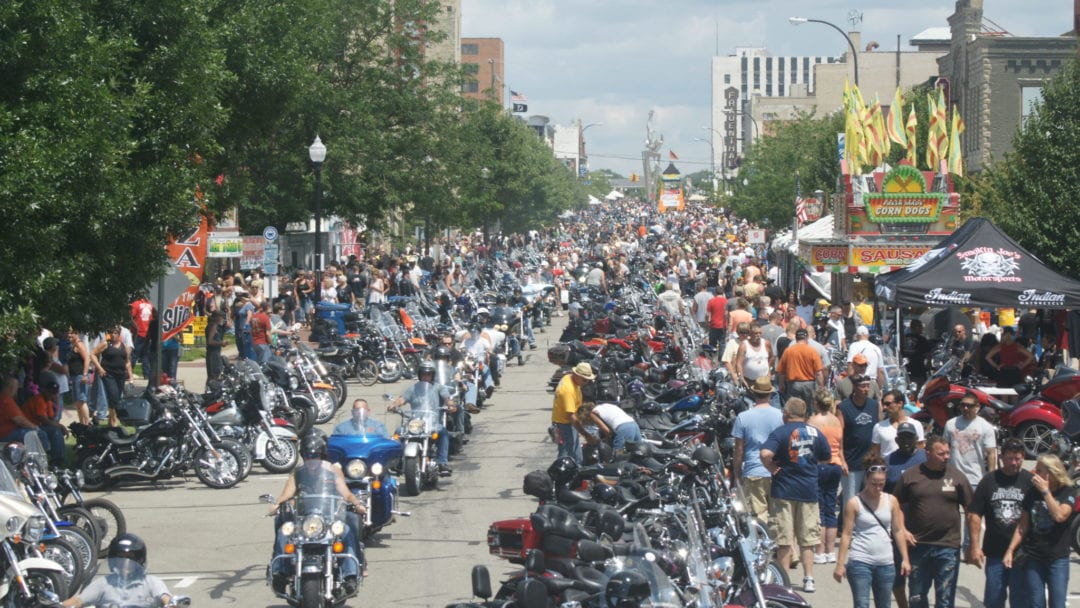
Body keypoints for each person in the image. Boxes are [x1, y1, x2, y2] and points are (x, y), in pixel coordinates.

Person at [268, 434, 367, 594]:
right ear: (303, 456)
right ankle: (281, 572)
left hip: (330, 518)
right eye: (308, 455)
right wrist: (276, 504)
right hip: (305, 519)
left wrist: (357, 504)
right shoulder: (298, 473)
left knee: (347, 530)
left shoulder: (333, 471)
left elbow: (346, 493)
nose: (311, 459)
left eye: (315, 455)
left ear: (322, 455)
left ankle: (350, 575)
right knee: (284, 530)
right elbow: (286, 494)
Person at [760, 397, 832, 593]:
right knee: (807, 538)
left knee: (784, 538)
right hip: (808, 490)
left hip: (783, 489)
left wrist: (772, 467)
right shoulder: (814, 432)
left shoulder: (780, 432)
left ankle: (784, 581)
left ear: (785, 414)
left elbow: (765, 453)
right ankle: (809, 578)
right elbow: (826, 457)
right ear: (805, 415)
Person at [895, 435, 973, 608]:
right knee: (916, 597)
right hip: (918, 545)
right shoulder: (910, 476)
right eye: (941, 453)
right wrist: (903, 529)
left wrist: (972, 544)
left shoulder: (957, 476)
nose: (946, 457)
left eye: (948, 453)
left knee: (945, 600)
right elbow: (896, 505)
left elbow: (971, 510)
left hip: (948, 546)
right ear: (927, 453)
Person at [834, 456, 911, 608]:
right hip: (860, 560)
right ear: (866, 479)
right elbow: (846, 534)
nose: (877, 488)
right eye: (874, 483)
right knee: (862, 603)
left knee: (884, 604)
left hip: (886, 562)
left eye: (881, 484)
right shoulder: (854, 503)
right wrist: (840, 564)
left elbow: (897, 530)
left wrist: (905, 559)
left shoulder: (892, 501)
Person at [966, 438, 1033, 608]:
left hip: (1022, 553)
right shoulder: (989, 481)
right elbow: (974, 515)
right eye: (1010, 458)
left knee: (1021, 600)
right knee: (994, 599)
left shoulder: (1029, 481)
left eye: (1017, 458)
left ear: (1023, 457)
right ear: (1001, 457)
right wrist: (974, 545)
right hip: (995, 551)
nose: (1013, 463)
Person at [1002, 454, 1075, 608]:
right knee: (1035, 602)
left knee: (1057, 603)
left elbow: (1060, 516)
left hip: (1057, 558)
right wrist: (1010, 550)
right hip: (1034, 557)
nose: (1034, 472)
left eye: (1039, 470)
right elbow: (1023, 526)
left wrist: (1046, 492)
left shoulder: (1068, 491)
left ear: (1051, 473)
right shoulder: (1032, 492)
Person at [61, 534, 174, 607]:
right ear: (113, 560)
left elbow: (165, 597)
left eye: (130, 558)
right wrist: (58, 606)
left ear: (139, 560)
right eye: (120, 558)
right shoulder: (103, 583)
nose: (125, 563)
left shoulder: (151, 582)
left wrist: (170, 603)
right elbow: (78, 600)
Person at [731, 377, 785, 529]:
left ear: (754, 394)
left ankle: (767, 546)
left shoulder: (743, 417)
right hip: (776, 470)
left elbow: (739, 450)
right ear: (770, 394)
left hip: (753, 470)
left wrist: (737, 474)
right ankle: (781, 548)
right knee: (778, 515)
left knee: (759, 516)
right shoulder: (780, 416)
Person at [388, 360, 455, 475]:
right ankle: (397, 461)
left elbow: (447, 398)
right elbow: (402, 399)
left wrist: (450, 405)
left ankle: (442, 462)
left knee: (443, 432)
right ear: (420, 374)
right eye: (423, 374)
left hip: (432, 422)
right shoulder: (413, 388)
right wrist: (394, 405)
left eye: (428, 374)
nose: (426, 376)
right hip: (415, 423)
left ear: (432, 375)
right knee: (398, 432)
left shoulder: (439, 387)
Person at [808, 389, 846, 566]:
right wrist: (843, 462)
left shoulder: (813, 422)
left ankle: (820, 551)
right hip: (835, 464)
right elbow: (840, 445)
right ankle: (831, 552)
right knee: (830, 507)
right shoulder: (836, 421)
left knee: (819, 509)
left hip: (818, 465)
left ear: (816, 403)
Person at [838, 375, 882, 513]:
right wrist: (842, 460)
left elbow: (880, 429)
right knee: (851, 500)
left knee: (872, 497)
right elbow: (839, 437)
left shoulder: (874, 405)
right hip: (852, 462)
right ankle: (848, 530)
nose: (866, 389)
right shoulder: (844, 407)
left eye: (868, 386)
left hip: (871, 462)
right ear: (855, 388)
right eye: (863, 386)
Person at [943, 390, 998, 490]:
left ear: (977, 407)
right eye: (963, 405)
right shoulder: (950, 424)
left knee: (972, 506)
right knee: (948, 505)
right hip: (952, 478)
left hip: (975, 479)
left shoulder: (986, 427)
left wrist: (991, 479)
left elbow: (991, 454)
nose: (965, 408)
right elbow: (944, 449)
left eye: (969, 405)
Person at [549, 362, 598, 464]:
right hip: (564, 424)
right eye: (584, 380)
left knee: (575, 453)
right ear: (576, 375)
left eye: (588, 380)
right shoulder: (567, 390)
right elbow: (570, 416)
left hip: (566, 423)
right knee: (567, 454)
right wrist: (585, 434)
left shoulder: (570, 378)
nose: (586, 382)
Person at [21, 378, 68, 464]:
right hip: (28, 426)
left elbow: (51, 419)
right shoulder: (39, 399)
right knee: (55, 431)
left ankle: (59, 457)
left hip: (37, 426)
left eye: (54, 393)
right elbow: (43, 419)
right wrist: (60, 426)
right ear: (45, 390)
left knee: (56, 430)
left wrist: (56, 404)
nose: (52, 395)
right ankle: (56, 458)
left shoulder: (48, 401)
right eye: (50, 392)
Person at [91, 326, 132, 427]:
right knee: (112, 395)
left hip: (121, 374)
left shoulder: (123, 346)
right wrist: (99, 368)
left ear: (119, 334)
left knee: (117, 397)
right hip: (108, 374)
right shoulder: (106, 344)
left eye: (115, 333)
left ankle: (111, 419)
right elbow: (92, 354)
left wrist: (131, 376)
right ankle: (114, 420)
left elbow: (127, 362)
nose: (113, 335)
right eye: (111, 333)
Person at [776, 328, 825, 405]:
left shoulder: (788, 351)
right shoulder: (812, 351)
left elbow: (781, 371)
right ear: (807, 338)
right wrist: (821, 387)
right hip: (809, 385)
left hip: (793, 385)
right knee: (809, 409)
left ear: (796, 338)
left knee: (794, 409)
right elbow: (819, 372)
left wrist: (781, 384)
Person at [871, 389, 925, 459]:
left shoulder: (916, 425)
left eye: (888, 404)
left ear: (900, 403)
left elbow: (920, 450)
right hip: (888, 467)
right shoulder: (878, 427)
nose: (885, 407)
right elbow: (875, 453)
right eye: (883, 404)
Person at [0, 377, 44, 445]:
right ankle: (44, 454)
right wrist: (36, 427)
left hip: (7, 432)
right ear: (11, 388)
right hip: (6, 434)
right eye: (16, 388)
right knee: (40, 434)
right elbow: (20, 421)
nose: (16, 390)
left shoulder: (3, 398)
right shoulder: (6, 401)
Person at [734, 324, 774, 391]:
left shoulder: (766, 343)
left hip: (764, 381)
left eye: (760, 333)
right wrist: (741, 378)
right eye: (756, 333)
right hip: (749, 381)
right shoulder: (744, 346)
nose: (758, 335)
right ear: (750, 334)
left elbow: (772, 357)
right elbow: (738, 363)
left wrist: (769, 370)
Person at [66, 329, 92, 425]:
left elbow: (87, 359)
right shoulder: (72, 345)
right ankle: (82, 423)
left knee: (82, 400)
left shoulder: (79, 344)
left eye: (72, 333)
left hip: (80, 375)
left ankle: (87, 423)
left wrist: (85, 374)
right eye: (68, 333)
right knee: (77, 402)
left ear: (77, 334)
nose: (69, 335)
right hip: (74, 375)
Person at [901, 319, 932, 387]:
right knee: (920, 389)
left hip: (906, 369)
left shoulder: (904, 338)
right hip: (918, 370)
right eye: (920, 326)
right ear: (916, 327)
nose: (922, 328)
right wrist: (929, 364)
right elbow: (928, 354)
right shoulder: (922, 339)